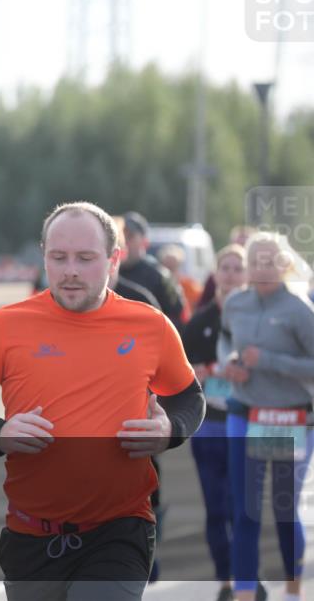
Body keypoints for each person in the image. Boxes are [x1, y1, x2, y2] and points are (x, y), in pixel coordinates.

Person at [0, 201, 204, 601]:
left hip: (120, 530)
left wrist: (170, 430)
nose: (70, 270)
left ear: (113, 260)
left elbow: (189, 398)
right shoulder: (5, 327)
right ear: (44, 256)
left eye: (85, 258)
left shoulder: (150, 326)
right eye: (58, 257)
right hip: (31, 539)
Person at [222, 233, 314, 601]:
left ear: (283, 264)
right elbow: (228, 344)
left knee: (282, 508)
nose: (260, 266)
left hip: (286, 417)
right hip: (244, 412)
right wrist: (232, 363)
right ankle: (245, 592)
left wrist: (271, 361)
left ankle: (293, 585)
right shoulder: (235, 303)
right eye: (254, 260)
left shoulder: (298, 308)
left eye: (268, 260)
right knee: (243, 508)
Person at [181, 244, 248, 601]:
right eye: (226, 267)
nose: (232, 274)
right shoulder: (201, 321)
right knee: (216, 507)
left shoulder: (262, 321)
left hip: (252, 425)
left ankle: (247, 576)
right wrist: (201, 373)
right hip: (210, 427)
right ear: (216, 274)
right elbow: (180, 375)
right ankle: (224, 578)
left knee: (247, 506)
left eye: (239, 268)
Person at [119, 211, 187, 329]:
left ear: (144, 242)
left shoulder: (159, 275)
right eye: (120, 236)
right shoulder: (107, 274)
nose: (124, 242)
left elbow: (179, 318)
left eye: (129, 236)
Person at [158, 244, 202, 314]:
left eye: (173, 264)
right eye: (167, 263)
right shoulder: (157, 283)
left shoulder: (189, 284)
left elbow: (198, 304)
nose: (170, 266)